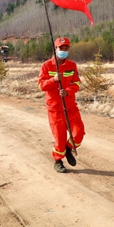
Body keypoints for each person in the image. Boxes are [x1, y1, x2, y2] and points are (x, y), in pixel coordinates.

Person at [38, 37, 85, 173]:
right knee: (59, 138)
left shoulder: (72, 65)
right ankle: (58, 161)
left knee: (79, 132)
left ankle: (68, 149)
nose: (63, 50)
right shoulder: (47, 66)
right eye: (61, 48)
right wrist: (53, 80)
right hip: (55, 109)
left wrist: (68, 91)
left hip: (70, 106)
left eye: (66, 48)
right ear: (55, 49)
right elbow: (41, 85)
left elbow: (76, 83)